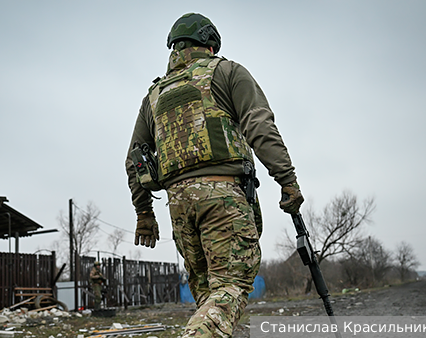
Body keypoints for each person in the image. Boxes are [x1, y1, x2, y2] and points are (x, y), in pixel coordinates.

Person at [125, 12, 304, 337]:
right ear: (209, 43)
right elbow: (259, 126)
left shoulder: (153, 97)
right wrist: (287, 180)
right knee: (231, 286)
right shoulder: (227, 72)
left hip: (179, 207)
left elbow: (133, 158)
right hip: (222, 198)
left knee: (209, 296)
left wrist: (144, 214)